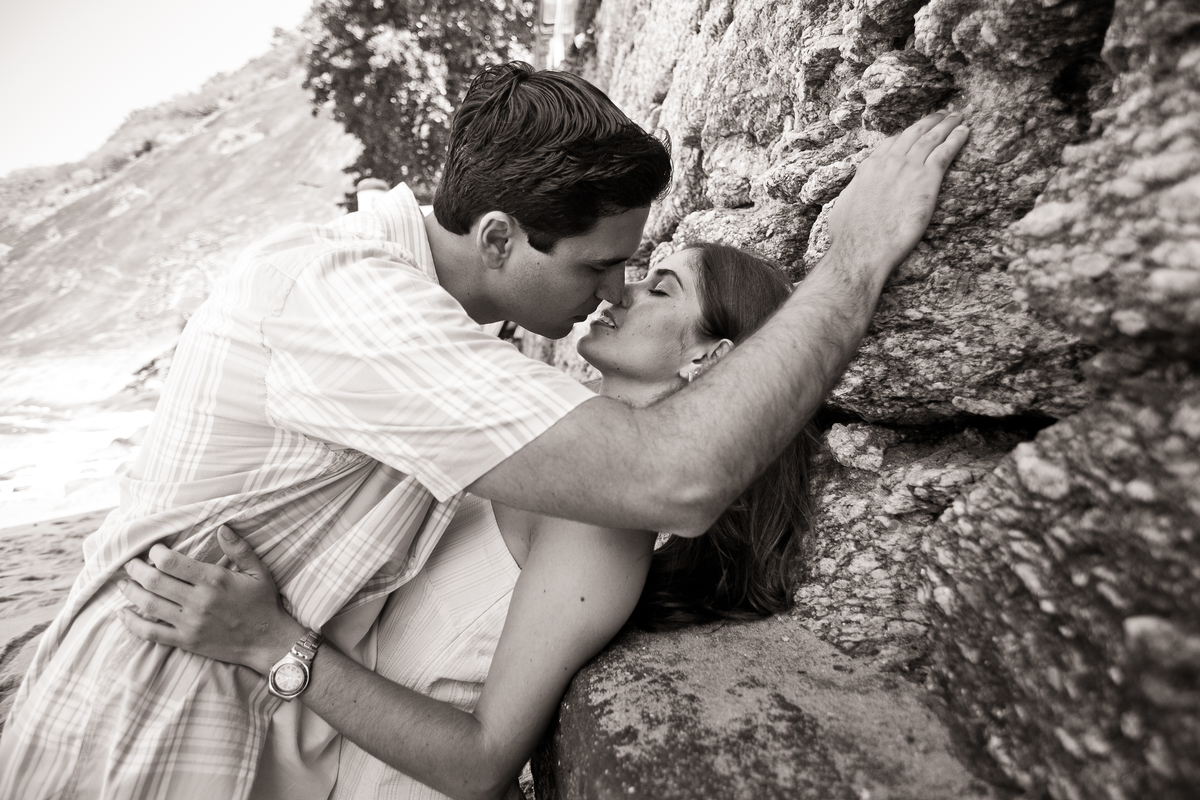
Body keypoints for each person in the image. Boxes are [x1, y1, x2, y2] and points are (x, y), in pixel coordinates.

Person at [0, 57, 968, 799]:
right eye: (599, 267)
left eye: (641, 275)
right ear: (499, 237)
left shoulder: (463, 362)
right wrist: (851, 261)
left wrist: (275, 643)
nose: (613, 290)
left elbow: (478, 739)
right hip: (140, 739)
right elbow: (674, 471)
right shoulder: (359, 309)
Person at [116, 241, 818, 800]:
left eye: (660, 288)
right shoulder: (543, 449)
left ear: (709, 359)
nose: (620, 291)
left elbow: (481, 763)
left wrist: (272, 644)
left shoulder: (602, 526)